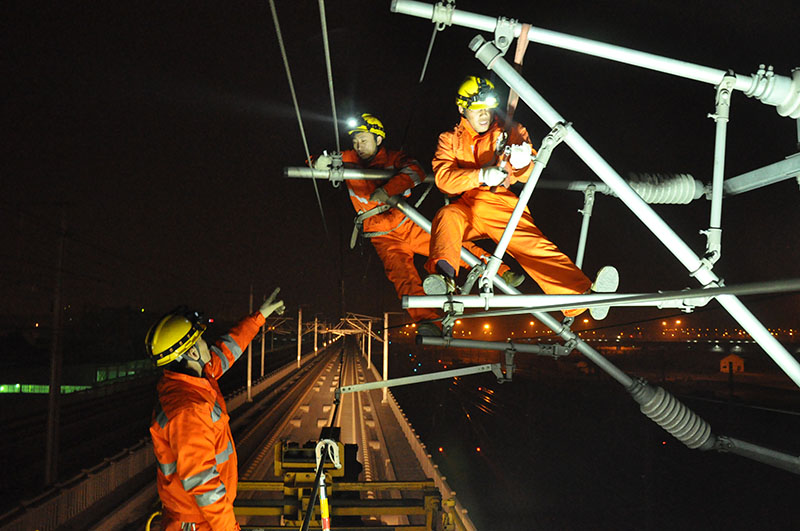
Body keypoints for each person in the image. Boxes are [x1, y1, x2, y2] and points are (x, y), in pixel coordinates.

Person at [425, 76, 618, 319]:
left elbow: (528, 174)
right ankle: (444, 280)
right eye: (477, 110)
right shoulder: (450, 140)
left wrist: (522, 163)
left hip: (499, 203)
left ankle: (579, 296)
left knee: (533, 246)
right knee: (446, 216)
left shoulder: (510, 131)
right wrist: (481, 175)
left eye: (487, 109)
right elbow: (444, 179)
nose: (484, 115)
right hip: (466, 205)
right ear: (462, 110)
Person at [315, 113, 523, 335]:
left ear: (378, 140)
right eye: (355, 141)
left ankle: (501, 272)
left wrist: (387, 190)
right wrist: (319, 163)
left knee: (452, 247)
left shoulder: (393, 158)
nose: (358, 146)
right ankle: (429, 323)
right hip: (382, 235)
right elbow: (320, 161)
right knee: (403, 277)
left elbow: (416, 170)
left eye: (363, 140)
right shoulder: (348, 160)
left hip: (405, 222)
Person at [145, 289, 285, 531]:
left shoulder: (195, 379)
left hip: (200, 520)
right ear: (191, 352)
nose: (207, 343)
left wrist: (259, 318)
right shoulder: (187, 410)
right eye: (200, 340)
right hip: (199, 524)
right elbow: (204, 484)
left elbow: (228, 349)